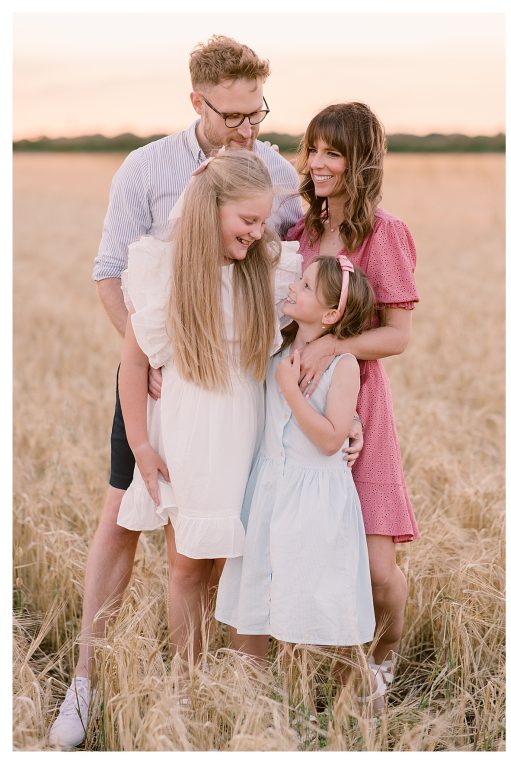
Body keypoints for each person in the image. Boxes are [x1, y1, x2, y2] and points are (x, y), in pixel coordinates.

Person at [50, 35, 306, 748]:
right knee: (123, 521)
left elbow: (293, 270)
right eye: (232, 117)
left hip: (238, 389)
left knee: (222, 537)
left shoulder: (275, 171)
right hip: (160, 374)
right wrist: (152, 356)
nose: (247, 129)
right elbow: (110, 272)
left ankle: (225, 689)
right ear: (196, 102)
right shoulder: (147, 169)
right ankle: (86, 681)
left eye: (257, 113)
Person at [116, 150, 302, 682]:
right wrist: (141, 447)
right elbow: (132, 364)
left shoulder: (265, 273)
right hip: (189, 440)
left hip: (250, 438)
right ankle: (187, 684)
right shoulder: (163, 271)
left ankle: (246, 688)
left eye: (263, 221)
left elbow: (311, 344)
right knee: (188, 566)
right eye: (247, 220)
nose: (257, 232)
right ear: (209, 210)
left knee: (245, 566)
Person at [284, 102, 419, 702]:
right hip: (301, 402)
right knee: (316, 550)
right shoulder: (299, 232)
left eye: (333, 152)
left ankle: (385, 657)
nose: (317, 163)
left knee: (375, 566)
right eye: (313, 149)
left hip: (364, 407)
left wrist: (335, 344)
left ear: (360, 162)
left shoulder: (384, 234)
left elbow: (397, 334)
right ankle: (334, 664)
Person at [216, 255, 377, 721]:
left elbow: (330, 439)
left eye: (305, 286)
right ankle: (251, 705)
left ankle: (316, 708)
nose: (294, 288)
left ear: (330, 316)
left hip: (313, 501)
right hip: (269, 489)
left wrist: (291, 391)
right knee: (256, 592)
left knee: (304, 601)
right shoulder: (278, 346)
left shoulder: (343, 365)